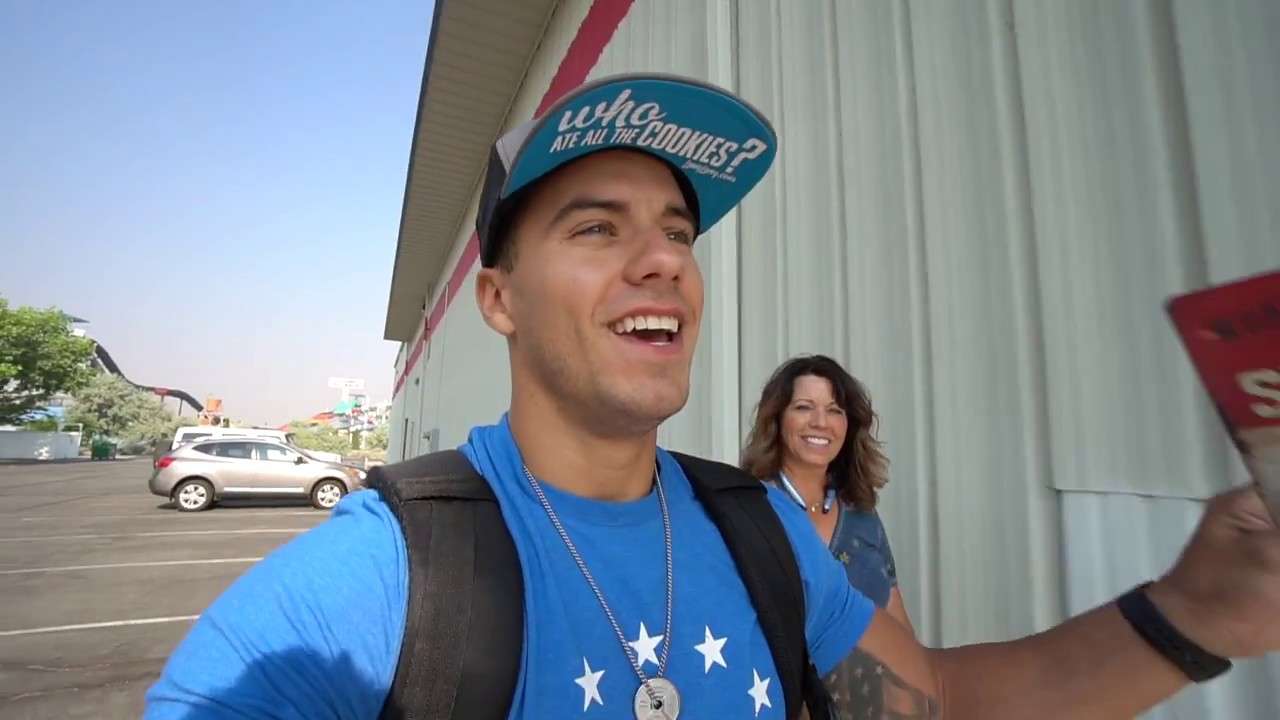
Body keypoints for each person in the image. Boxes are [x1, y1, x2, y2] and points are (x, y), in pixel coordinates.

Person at [143, 72, 1280, 719]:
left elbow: (924, 706)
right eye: (597, 229)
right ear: (498, 298)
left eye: (679, 233)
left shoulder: (759, 532)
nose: (663, 261)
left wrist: (1192, 616)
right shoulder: (367, 587)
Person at [741, 354, 914, 635]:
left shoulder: (862, 515)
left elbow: (900, 629)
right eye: (804, 407)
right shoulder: (749, 510)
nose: (821, 422)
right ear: (778, 418)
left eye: (834, 410)